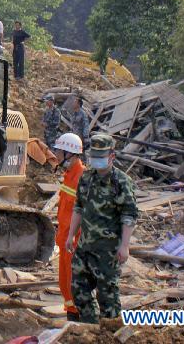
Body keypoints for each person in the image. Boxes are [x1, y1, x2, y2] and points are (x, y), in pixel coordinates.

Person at [65, 134, 137, 324]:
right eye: (94, 155)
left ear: (111, 156)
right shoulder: (86, 178)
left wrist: (124, 246)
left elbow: (129, 216)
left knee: (107, 296)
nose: (96, 159)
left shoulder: (121, 182)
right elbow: (79, 207)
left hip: (108, 251)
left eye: (100, 155)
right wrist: (71, 235)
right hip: (85, 247)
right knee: (78, 290)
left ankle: (109, 333)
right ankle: (90, 327)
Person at [52, 133, 85, 321]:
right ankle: (72, 314)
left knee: (74, 282)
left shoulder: (83, 177)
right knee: (65, 282)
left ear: (70, 154)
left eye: (58, 151)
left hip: (75, 242)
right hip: (66, 240)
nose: (56, 154)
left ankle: (79, 318)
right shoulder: (69, 175)